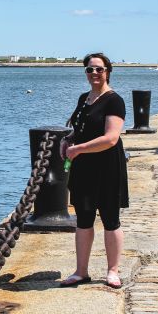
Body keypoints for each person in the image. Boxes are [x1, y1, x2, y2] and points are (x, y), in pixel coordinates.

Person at [59, 52, 128, 289]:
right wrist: (68, 139)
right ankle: (81, 271)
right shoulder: (84, 98)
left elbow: (110, 138)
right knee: (84, 220)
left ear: (108, 71)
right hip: (84, 168)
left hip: (108, 167)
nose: (94, 74)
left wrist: (78, 148)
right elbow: (80, 129)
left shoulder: (114, 100)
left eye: (99, 69)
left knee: (111, 220)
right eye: (89, 70)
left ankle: (112, 271)